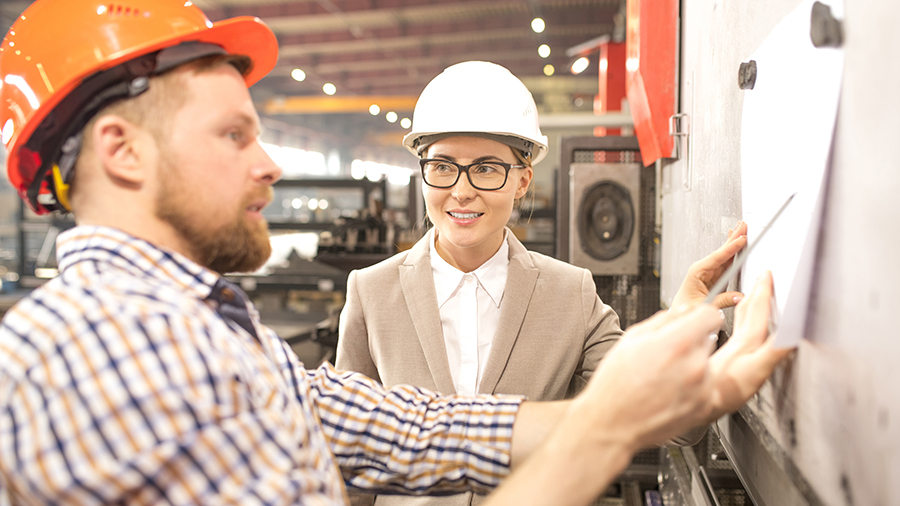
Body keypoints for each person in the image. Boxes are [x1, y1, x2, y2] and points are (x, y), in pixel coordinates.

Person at [0, 1, 791, 505]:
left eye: (487, 168)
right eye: (234, 134)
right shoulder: (93, 355)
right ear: (121, 150)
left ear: (522, 178)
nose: (270, 163)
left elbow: (409, 427)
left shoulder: (211, 333)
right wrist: (603, 427)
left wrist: (659, 349)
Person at [335, 61, 748, 506]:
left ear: (522, 181)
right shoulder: (371, 292)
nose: (461, 190)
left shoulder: (570, 294)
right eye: (442, 166)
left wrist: (686, 331)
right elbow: (346, 457)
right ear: (423, 172)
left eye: (487, 169)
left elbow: (678, 426)